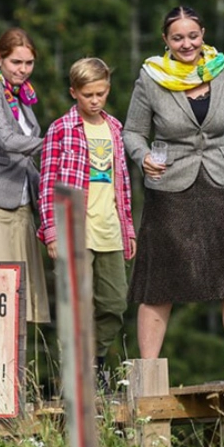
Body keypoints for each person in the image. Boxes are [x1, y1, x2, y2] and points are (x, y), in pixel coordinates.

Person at [123, 6, 224, 382]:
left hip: (223, 182)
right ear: (165, 41)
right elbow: (132, 133)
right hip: (170, 185)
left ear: (203, 34)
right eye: (178, 38)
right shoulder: (151, 77)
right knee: (158, 278)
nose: (186, 43)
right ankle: (149, 372)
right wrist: (143, 158)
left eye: (192, 36)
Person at [38, 58, 136, 389]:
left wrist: (128, 229)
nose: (95, 101)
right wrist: (52, 232)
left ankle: (94, 362)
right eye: (88, 95)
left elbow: (122, 184)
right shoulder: (61, 129)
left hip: (109, 228)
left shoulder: (116, 129)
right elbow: (48, 183)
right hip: (74, 229)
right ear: (74, 93)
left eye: (101, 93)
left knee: (114, 303)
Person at [0, 28, 49, 324]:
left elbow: (27, 156)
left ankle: (15, 372)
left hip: (22, 207)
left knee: (21, 303)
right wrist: (54, 143)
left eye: (29, 63)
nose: (23, 70)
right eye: (16, 63)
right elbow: (7, 140)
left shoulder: (21, 96)